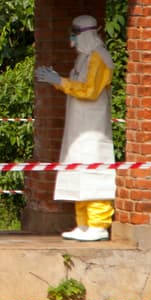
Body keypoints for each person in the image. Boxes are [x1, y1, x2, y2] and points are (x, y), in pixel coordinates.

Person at [35, 14, 117, 242]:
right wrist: (58, 81)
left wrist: (59, 82)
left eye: (75, 33)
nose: (72, 37)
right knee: (79, 172)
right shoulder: (84, 57)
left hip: (93, 128)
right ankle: (83, 224)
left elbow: (90, 91)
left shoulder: (100, 58)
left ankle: (98, 224)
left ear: (86, 34)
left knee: (94, 173)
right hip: (79, 126)